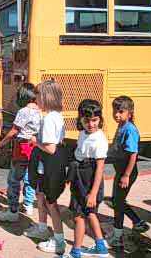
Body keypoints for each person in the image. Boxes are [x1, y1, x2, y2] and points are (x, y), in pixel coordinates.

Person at [62, 99, 108, 258]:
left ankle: (76, 252)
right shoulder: (83, 133)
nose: (91, 124)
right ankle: (101, 246)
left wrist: (93, 193)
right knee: (90, 213)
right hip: (80, 177)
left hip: (90, 180)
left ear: (100, 119)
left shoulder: (99, 140)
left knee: (79, 216)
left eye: (95, 120)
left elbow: (100, 168)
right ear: (80, 119)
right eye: (87, 120)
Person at [25, 79, 67, 255]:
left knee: (51, 202)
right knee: (40, 195)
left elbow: (50, 148)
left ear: (46, 97)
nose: (36, 101)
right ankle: (42, 228)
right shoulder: (55, 116)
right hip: (49, 165)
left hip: (49, 164)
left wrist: (35, 141)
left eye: (38, 97)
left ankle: (59, 240)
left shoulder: (50, 118)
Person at [0, 83, 41, 222]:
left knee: (14, 179)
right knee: (29, 177)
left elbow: (14, 131)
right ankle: (28, 204)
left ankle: (12, 210)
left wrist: (0, 145)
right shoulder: (39, 111)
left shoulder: (23, 111)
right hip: (34, 148)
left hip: (22, 147)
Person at [107, 96, 149, 247]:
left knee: (117, 202)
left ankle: (118, 236)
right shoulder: (122, 126)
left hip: (127, 171)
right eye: (115, 111)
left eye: (121, 111)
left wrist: (126, 175)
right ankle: (138, 222)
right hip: (121, 170)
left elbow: (133, 154)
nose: (116, 114)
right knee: (117, 200)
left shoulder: (130, 129)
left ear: (129, 113)